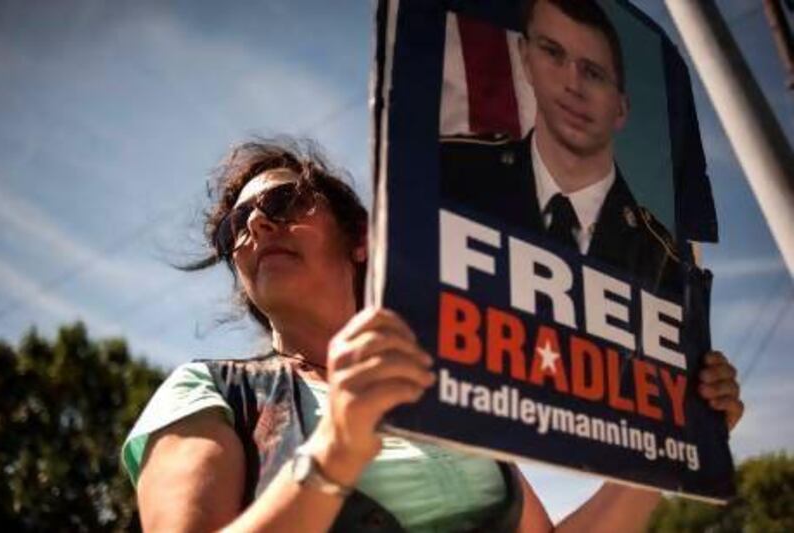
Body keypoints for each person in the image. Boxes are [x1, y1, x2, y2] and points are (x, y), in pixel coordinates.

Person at [123, 137, 742, 532]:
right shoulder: (210, 392)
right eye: (236, 225)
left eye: (283, 202)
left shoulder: (445, 392)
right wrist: (336, 449)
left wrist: (673, 443)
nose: (254, 225)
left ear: (360, 237)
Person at [441, 0, 681, 294]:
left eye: (593, 73)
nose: (572, 85)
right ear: (526, 60)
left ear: (621, 109)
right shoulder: (449, 173)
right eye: (553, 53)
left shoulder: (662, 263)